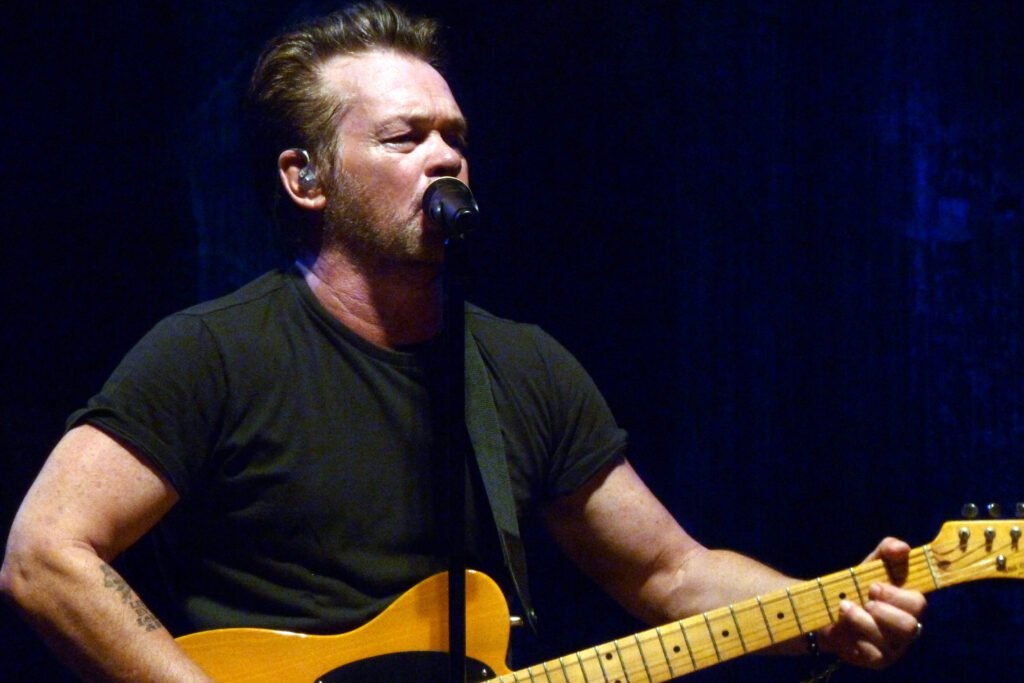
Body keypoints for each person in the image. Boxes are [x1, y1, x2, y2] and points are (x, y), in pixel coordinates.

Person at [1, 3, 925, 681]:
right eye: (404, 138)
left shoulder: (523, 368)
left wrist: (826, 609)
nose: (445, 157)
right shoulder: (212, 354)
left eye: (454, 136)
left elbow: (669, 571)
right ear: (305, 179)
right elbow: (46, 556)